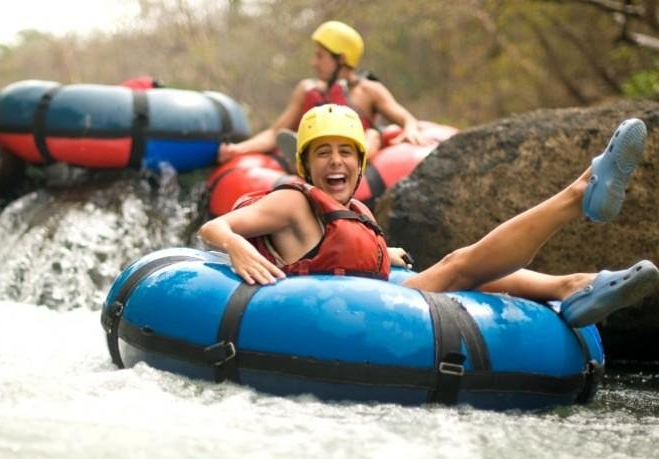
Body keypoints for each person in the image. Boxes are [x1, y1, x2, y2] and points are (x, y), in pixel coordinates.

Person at [199, 104, 659, 327]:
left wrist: (386, 254)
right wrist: (236, 244)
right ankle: (580, 191)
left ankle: (574, 286)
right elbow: (214, 226)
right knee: (461, 265)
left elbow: (339, 252)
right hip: (342, 315)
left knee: (468, 266)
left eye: (345, 153)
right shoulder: (293, 201)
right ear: (305, 164)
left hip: (363, 299)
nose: (335, 162)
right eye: (323, 153)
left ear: (360, 164)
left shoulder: (353, 209)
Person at [217, 20, 432, 164]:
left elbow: (404, 117)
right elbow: (275, 133)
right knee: (305, 139)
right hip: (317, 155)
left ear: (341, 59)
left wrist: (411, 127)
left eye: (320, 56)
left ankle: (352, 161)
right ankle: (303, 155)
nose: (314, 63)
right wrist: (239, 149)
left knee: (373, 134)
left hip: (352, 159)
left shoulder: (369, 90)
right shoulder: (306, 89)